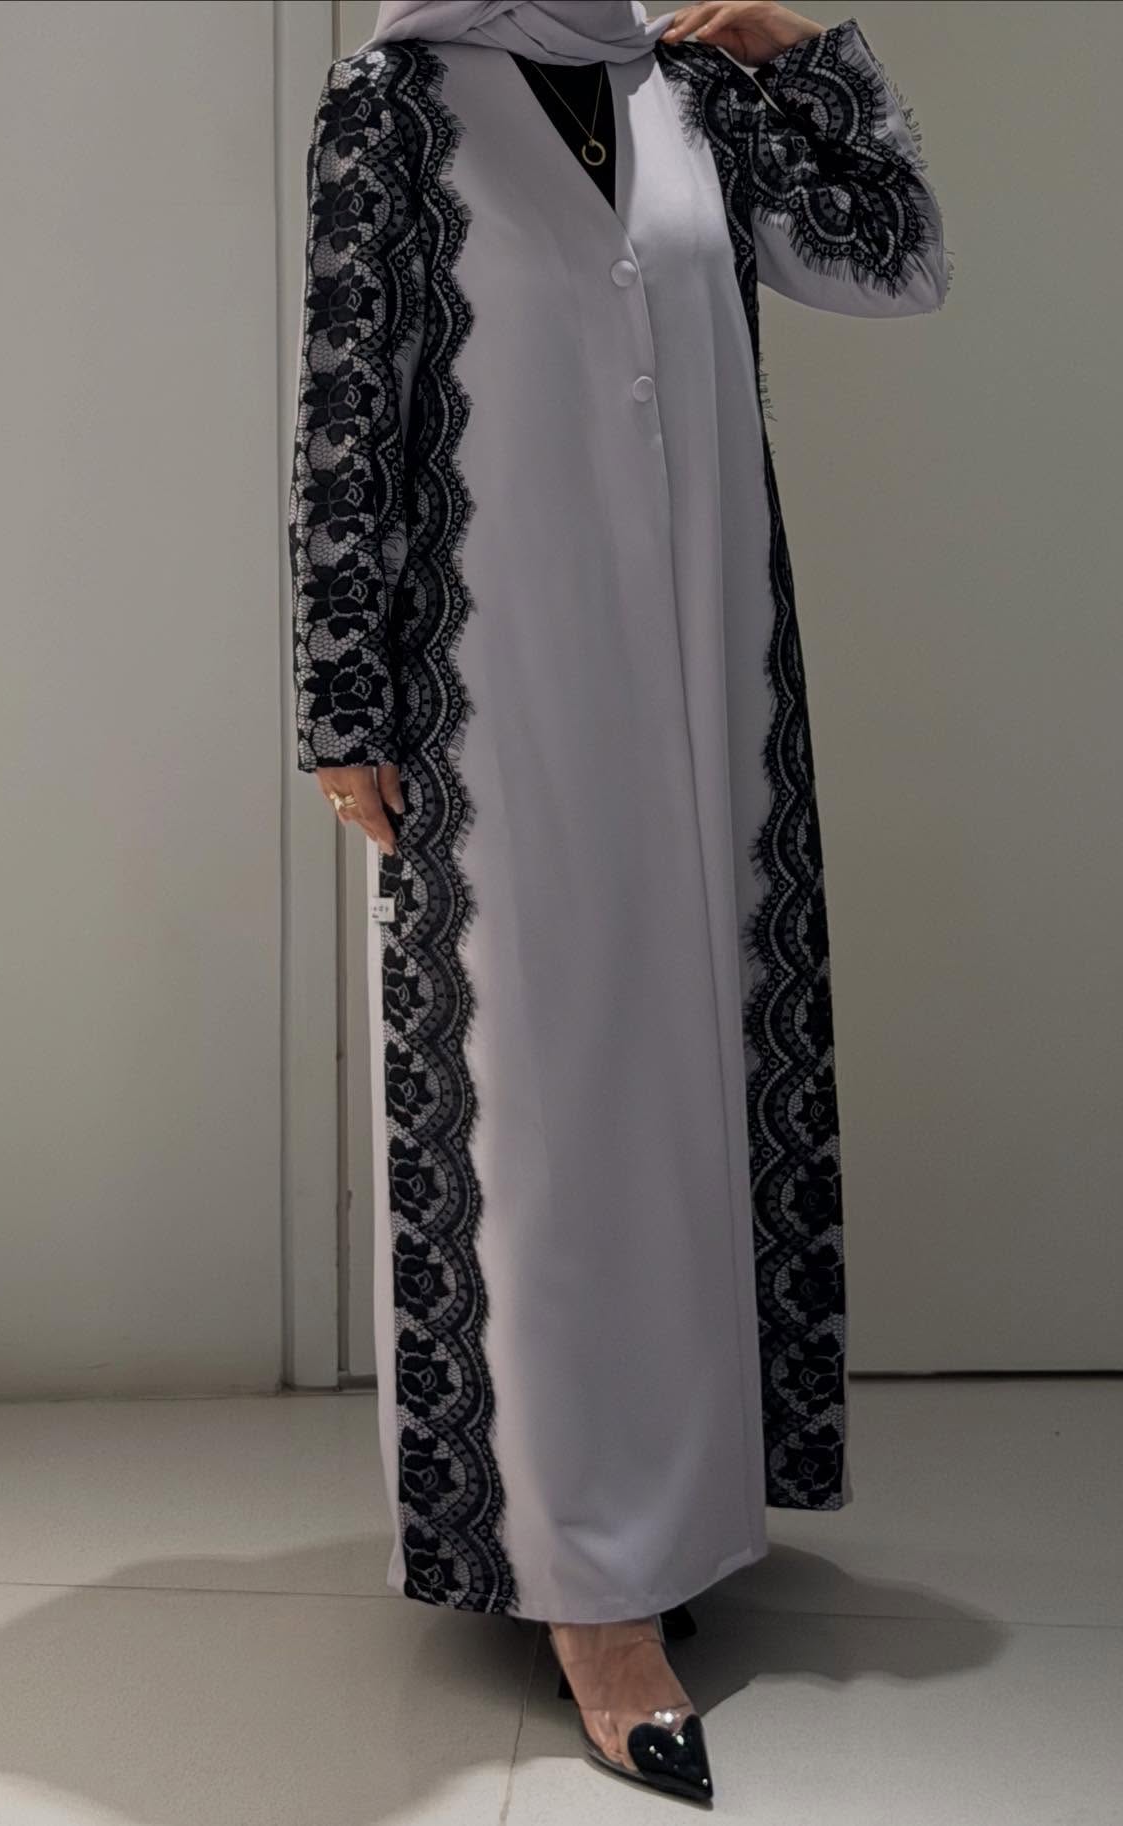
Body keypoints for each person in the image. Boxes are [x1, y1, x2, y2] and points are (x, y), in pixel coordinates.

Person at [287, 0, 950, 1801]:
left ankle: (679, 1504)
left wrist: (808, 46)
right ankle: (589, 1583)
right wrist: (343, 700)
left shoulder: (690, 86)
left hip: (711, 677)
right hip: (501, 684)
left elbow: (894, 257)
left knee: (690, 1081)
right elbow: (350, 408)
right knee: (544, 1108)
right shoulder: (398, 100)